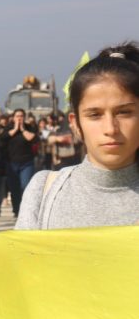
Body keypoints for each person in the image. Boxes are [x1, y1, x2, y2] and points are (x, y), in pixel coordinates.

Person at [16, 43, 139, 229]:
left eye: (124, 112)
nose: (110, 129)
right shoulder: (43, 190)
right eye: (95, 115)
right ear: (75, 124)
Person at [5, 108, 38, 217]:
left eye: (21, 116)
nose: (19, 118)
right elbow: (2, 139)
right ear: (13, 118)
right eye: (17, 116)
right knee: (14, 188)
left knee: (25, 186)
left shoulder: (29, 128)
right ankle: (16, 210)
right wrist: (15, 129)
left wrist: (23, 129)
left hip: (26, 163)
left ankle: (26, 209)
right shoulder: (8, 128)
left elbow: (33, 139)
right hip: (12, 163)